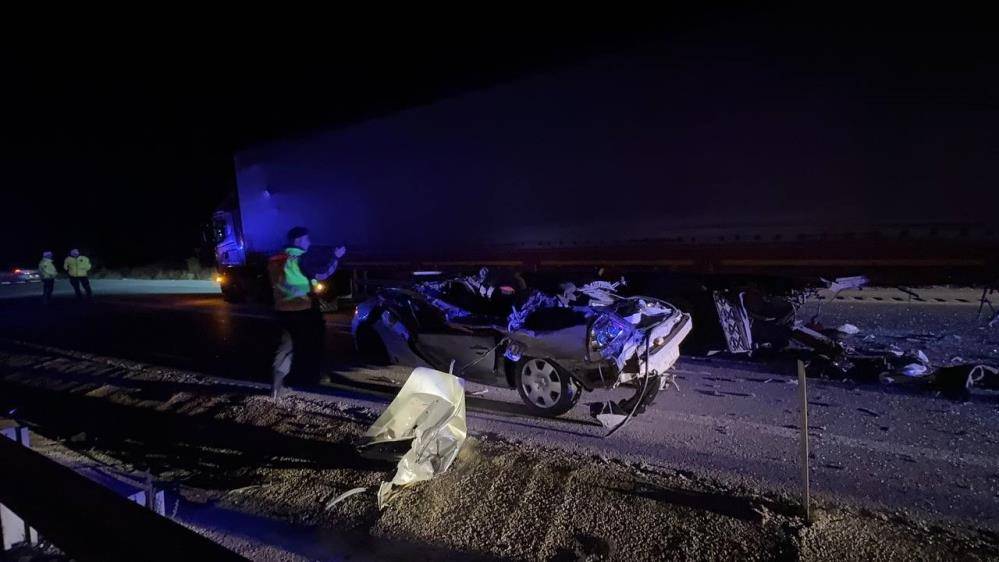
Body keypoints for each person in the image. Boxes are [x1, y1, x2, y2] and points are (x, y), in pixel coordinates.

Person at [268, 226, 346, 398]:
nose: (309, 242)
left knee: (285, 348)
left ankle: (276, 387)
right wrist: (336, 257)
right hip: (303, 310)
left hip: (282, 310)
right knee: (311, 345)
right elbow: (322, 274)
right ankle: (311, 379)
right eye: (307, 239)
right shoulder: (301, 259)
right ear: (298, 241)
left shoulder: (275, 259)